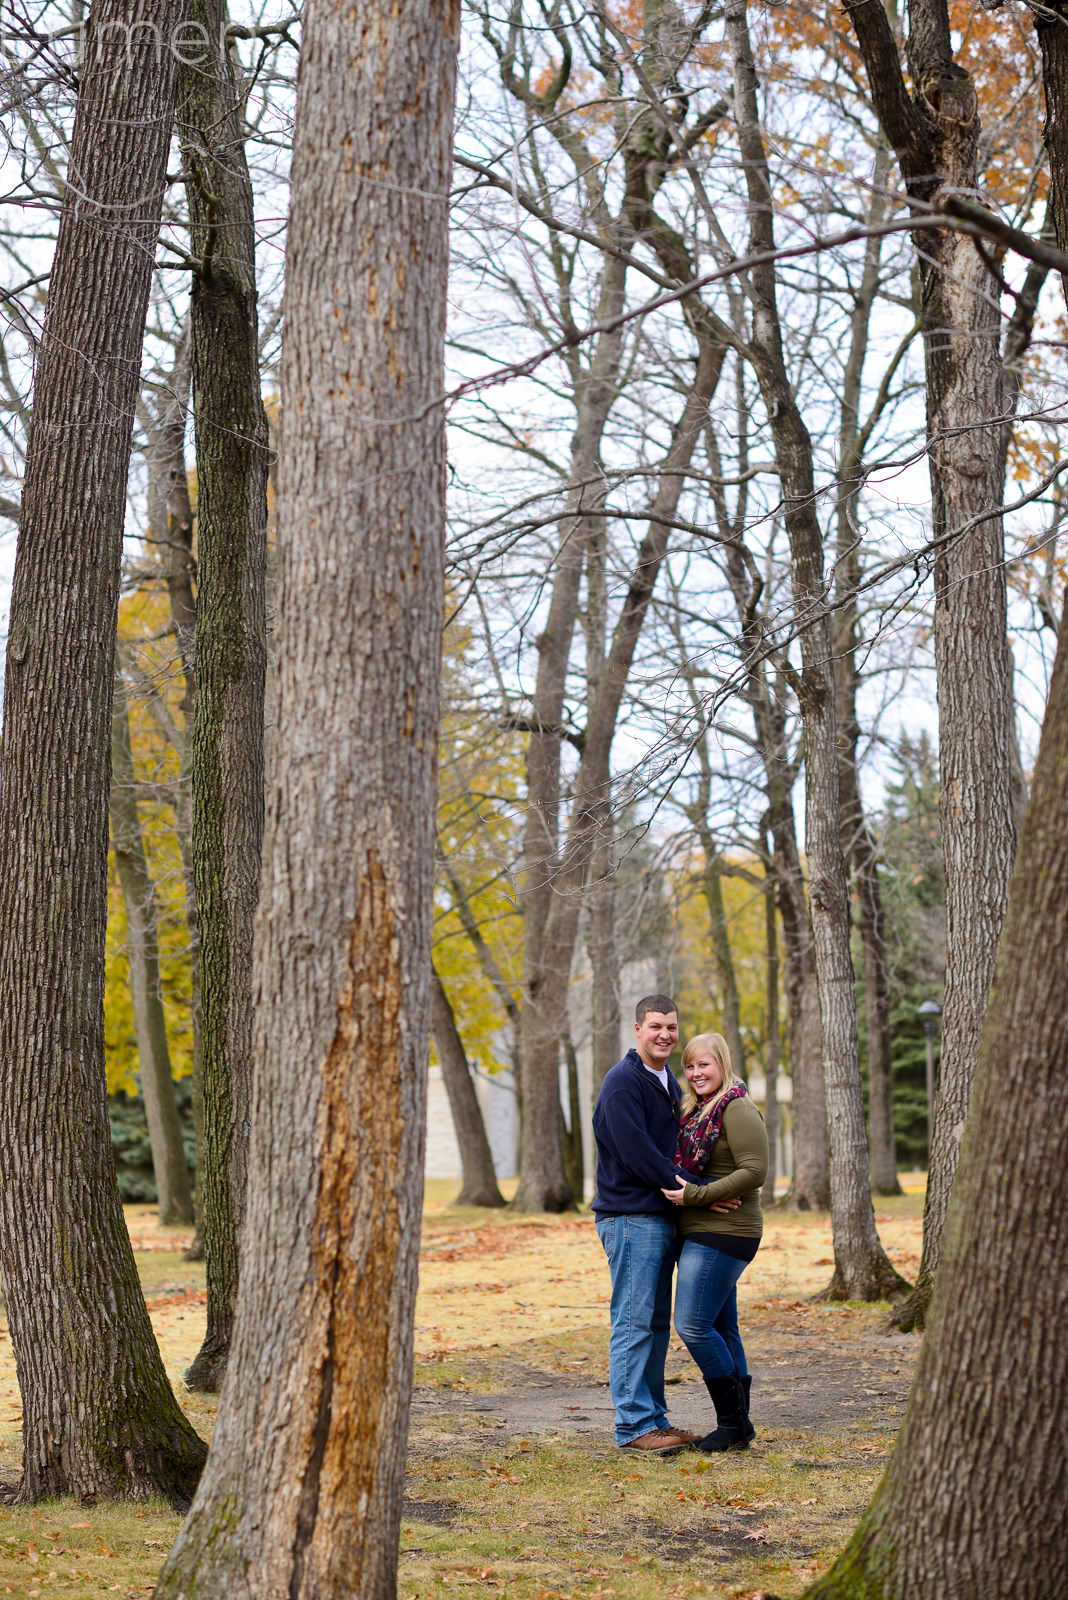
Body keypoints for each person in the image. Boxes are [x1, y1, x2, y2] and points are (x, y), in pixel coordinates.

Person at [592, 995, 738, 1456]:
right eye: (656, 1026)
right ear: (637, 1029)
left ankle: (653, 1419)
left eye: (671, 1028)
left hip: (659, 1217)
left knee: (654, 1325)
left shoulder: (666, 1081)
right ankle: (633, 1425)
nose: (665, 1035)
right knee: (634, 1323)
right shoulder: (623, 1083)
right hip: (631, 1217)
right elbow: (641, 1158)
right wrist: (700, 1189)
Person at [661, 1031, 768, 1452]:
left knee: (692, 1323)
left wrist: (699, 1196)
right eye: (689, 1066)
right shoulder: (696, 1111)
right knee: (723, 1326)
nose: (695, 1073)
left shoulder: (736, 1106)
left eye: (704, 1064)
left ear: (722, 1064)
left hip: (727, 1232)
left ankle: (731, 1424)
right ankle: (739, 1426)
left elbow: (755, 1170)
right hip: (705, 1230)